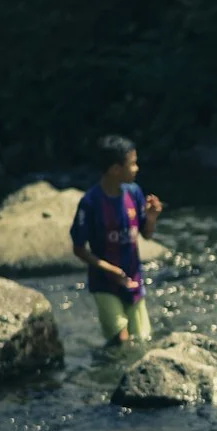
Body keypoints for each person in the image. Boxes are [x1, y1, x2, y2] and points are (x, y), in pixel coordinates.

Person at [70, 135, 163, 344]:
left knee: (141, 340)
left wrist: (151, 217)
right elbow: (78, 248)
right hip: (105, 283)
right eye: (132, 164)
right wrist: (109, 269)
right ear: (115, 169)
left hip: (133, 279)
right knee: (121, 341)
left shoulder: (134, 193)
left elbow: (146, 234)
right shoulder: (90, 203)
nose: (137, 168)